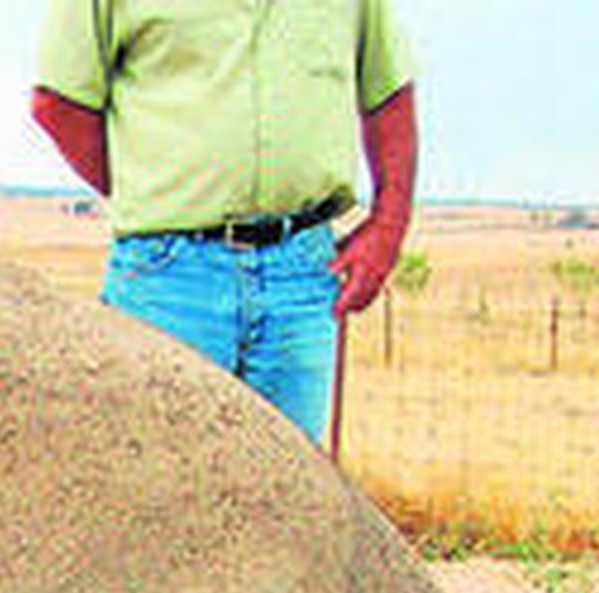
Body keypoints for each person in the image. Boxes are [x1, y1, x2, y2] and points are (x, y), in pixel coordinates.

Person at [32, 1, 417, 445]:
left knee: (294, 497)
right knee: (155, 490)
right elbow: (57, 103)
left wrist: (389, 225)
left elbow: (389, 92)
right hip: (166, 277)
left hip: (302, 276)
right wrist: (154, 194)